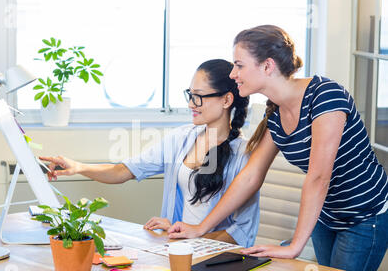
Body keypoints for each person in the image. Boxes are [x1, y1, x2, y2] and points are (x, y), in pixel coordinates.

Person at [168, 25, 388, 271]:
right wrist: (201, 228)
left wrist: (294, 246)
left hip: (365, 214)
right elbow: (251, 177)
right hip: (326, 215)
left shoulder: (326, 96)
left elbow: (319, 177)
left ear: (267, 66)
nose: (232, 74)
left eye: (239, 65)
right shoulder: (275, 115)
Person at [40, 59, 260, 247]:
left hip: (212, 259)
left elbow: (242, 231)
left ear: (226, 100)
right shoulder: (181, 138)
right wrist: (78, 167)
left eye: (199, 96)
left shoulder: (243, 155)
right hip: (176, 251)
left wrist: (192, 239)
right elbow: (123, 171)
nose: (191, 104)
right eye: (189, 95)